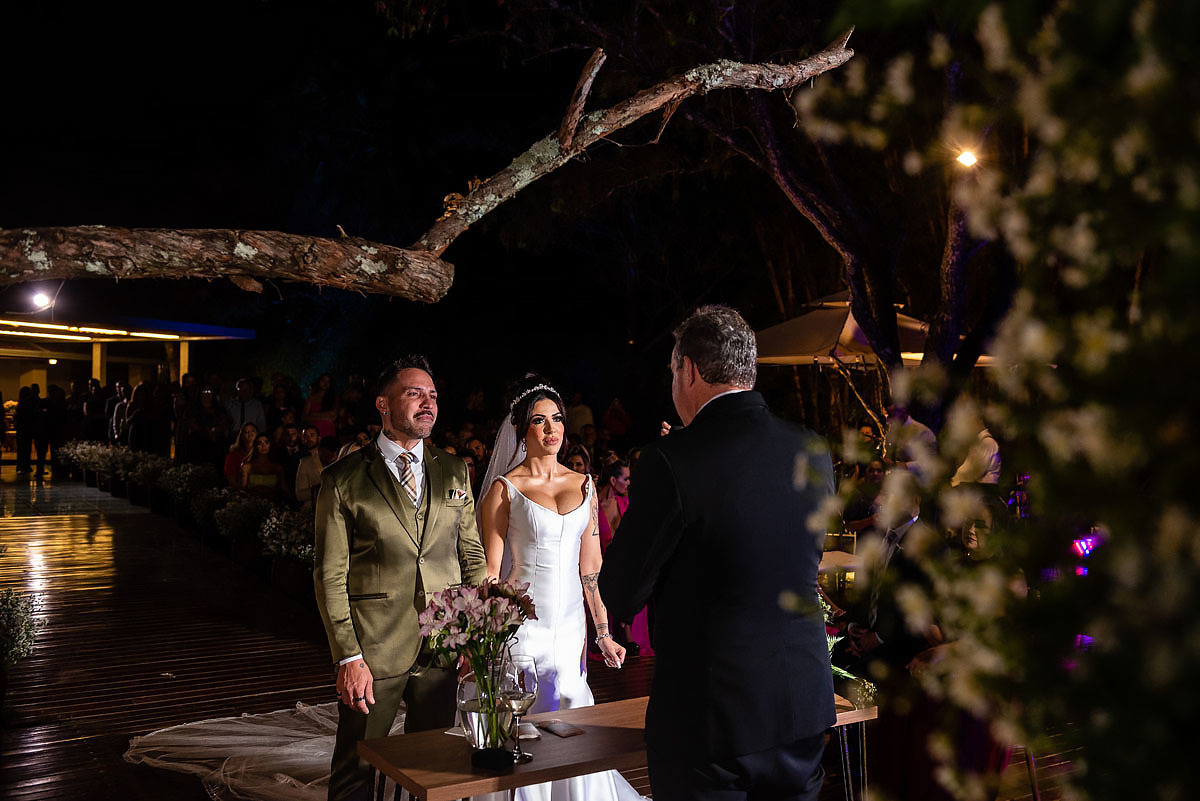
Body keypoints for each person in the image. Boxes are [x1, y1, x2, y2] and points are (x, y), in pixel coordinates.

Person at [599, 305, 836, 801]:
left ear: (688, 369)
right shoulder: (811, 448)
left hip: (711, 721)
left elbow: (621, 592)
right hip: (800, 707)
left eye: (671, 372)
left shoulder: (672, 460)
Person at [313, 355, 487, 801]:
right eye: (414, 394)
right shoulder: (343, 478)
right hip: (374, 648)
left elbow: (472, 555)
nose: (428, 404)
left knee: (433, 767)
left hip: (442, 645)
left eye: (433, 396)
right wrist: (348, 657)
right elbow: (330, 574)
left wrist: (474, 634)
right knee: (355, 766)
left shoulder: (454, 470)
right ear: (383, 404)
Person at [475, 378, 640, 801]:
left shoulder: (584, 485)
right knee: (528, 722)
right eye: (539, 420)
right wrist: (484, 639)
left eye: (558, 419)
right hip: (522, 626)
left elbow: (591, 567)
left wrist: (603, 632)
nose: (552, 429)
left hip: (570, 627)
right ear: (521, 428)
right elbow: (490, 574)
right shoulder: (504, 490)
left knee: (572, 718)